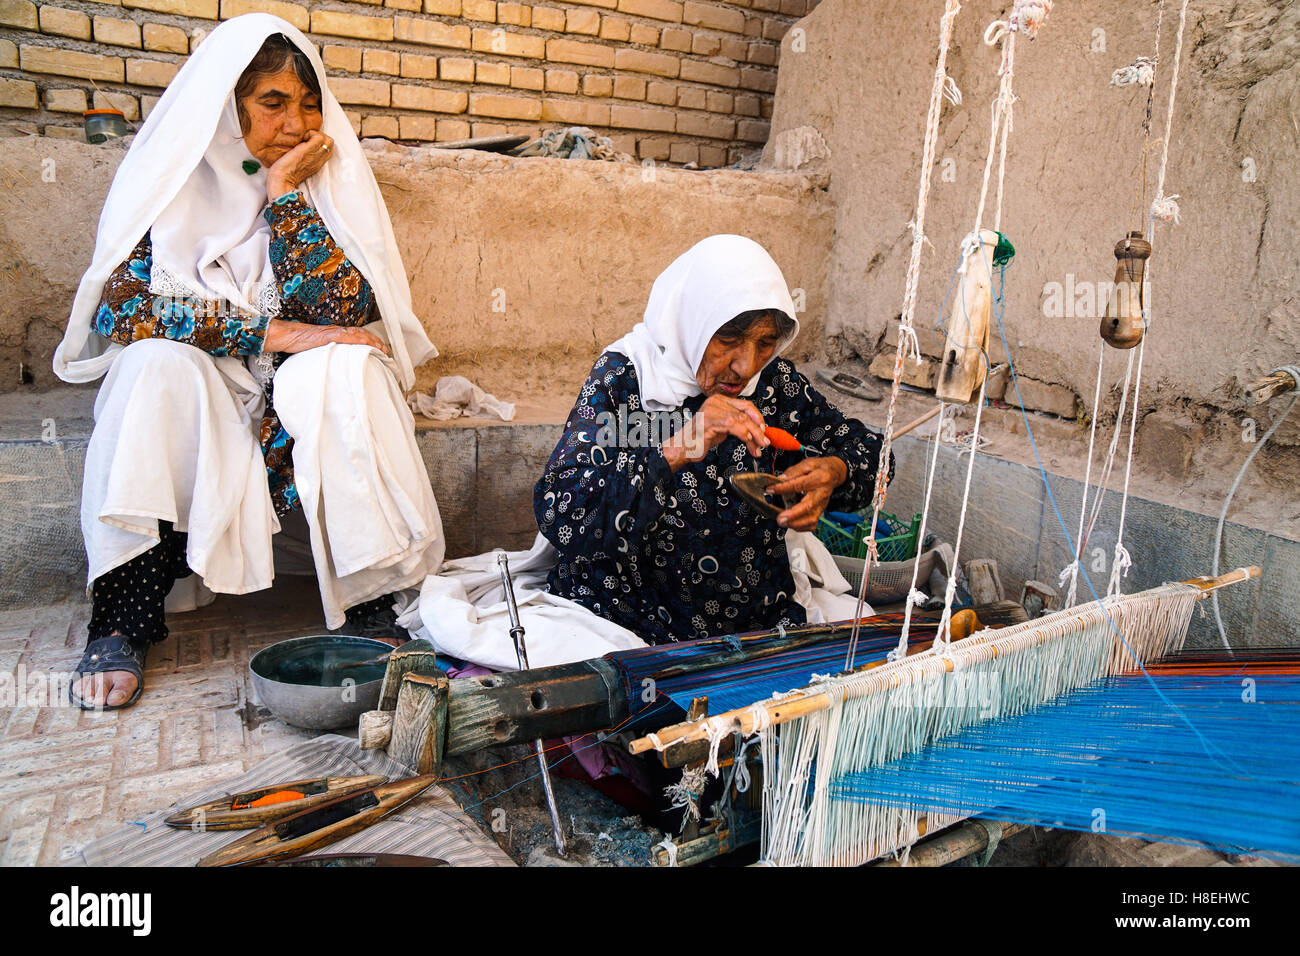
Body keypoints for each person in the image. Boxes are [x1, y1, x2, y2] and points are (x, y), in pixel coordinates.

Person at [53, 14, 444, 709]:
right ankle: (122, 616)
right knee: (151, 366)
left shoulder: (328, 184)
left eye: (309, 102)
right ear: (229, 107)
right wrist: (275, 334)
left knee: (348, 369)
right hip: (205, 389)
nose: (297, 122)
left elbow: (346, 313)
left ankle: (372, 606)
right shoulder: (168, 182)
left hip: (286, 408)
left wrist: (285, 196)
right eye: (273, 102)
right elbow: (122, 307)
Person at [533, 234, 892, 644]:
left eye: (764, 344)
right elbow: (559, 508)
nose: (745, 365)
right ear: (693, 320)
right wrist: (679, 446)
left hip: (753, 624)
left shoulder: (774, 386)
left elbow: (874, 457)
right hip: (630, 620)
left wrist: (836, 472)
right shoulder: (630, 380)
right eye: (728, 340)